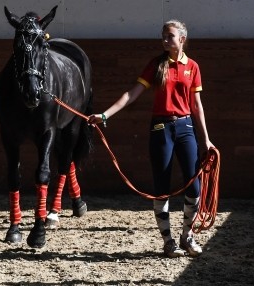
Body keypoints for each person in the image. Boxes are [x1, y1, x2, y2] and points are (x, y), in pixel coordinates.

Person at [88, 20, 214, 258]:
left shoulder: (193, 67)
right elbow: (132, 93)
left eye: (170, 36)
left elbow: (197, 106)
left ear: (182, 39)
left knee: (194, 186)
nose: (165, 40)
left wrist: (206, 139)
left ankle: (187, 236)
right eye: (163, 36)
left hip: (186, 126)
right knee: (161, 187)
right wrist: (105, 114)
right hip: (161, 128)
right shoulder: (156, 65)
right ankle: (168, 241)